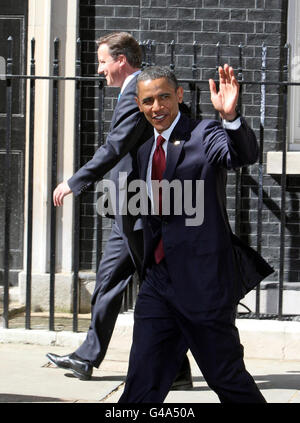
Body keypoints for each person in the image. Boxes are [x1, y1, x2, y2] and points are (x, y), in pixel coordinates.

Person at [118, 65, 274, 403]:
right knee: (142, 377)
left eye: (163, 97)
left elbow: (241, 155)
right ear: (139, 104)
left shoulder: (205, 133)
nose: (156, 106)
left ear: (179, 95)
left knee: (226, 376)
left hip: (203, 283)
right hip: (159, 282)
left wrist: (230, 116)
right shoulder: (145, 151)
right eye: (148, 100)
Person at [46, 32, 192, 388]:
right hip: (131, 207)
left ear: (121, 60)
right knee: (113, 282)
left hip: (143, 207)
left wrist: (75, 181)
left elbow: (116, 146)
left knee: (148, 286)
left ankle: (174, 367)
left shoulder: (138, 90)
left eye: (102, 61)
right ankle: (92, 358)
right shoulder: (137, 89)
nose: (100, 70)